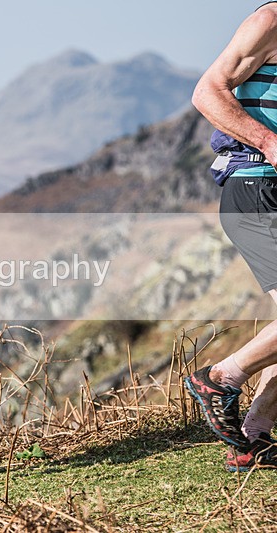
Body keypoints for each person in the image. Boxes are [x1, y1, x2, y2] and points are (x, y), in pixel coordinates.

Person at [185, 1, 277, 472]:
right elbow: (207, 92)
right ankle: (220, 377)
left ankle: (252, 439)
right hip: (257, 184)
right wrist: (269, 142)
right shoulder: (271, 21)